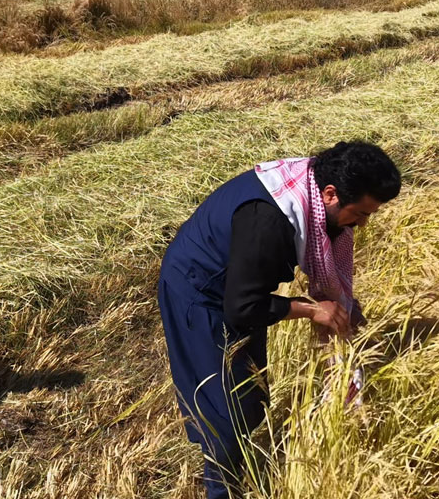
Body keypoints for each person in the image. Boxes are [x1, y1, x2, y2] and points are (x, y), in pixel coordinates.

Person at [157, 141, 401, 499]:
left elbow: (252, 298)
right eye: (360, 213)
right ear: (331, 195)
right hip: (200, 291)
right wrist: (313, 308)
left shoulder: (312, 185)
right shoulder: (269, 219)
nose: (362, 225)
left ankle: (239, 456)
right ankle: (222, 488)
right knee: (224, 408)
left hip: (239, 287)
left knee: (250, 390)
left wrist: (338, 302)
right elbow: (242, 307)